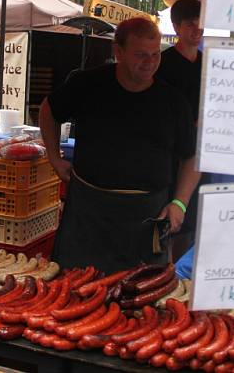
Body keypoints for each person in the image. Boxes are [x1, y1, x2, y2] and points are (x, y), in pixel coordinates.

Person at [39, 17, 202, 274]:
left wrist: (180, 203)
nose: (150, 63)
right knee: (72, 287)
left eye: (155, 55)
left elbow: (192, 157)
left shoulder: (173, 102)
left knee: (144, 296)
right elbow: (49, 110)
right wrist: (54, 157)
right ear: (118, 52)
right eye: (140, 55)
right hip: (88, 212)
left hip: (150, 214)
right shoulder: (87, 84)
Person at [154, 0, 207, 260]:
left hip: (200, 154)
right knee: (166, 217)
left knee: (193, 216)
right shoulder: (160, 64)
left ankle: (180, 275)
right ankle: (160, 266)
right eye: (190, 25)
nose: (197, 30)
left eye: (201, 25)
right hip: (168, 155)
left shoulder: (209, 65)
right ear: (176, 27)